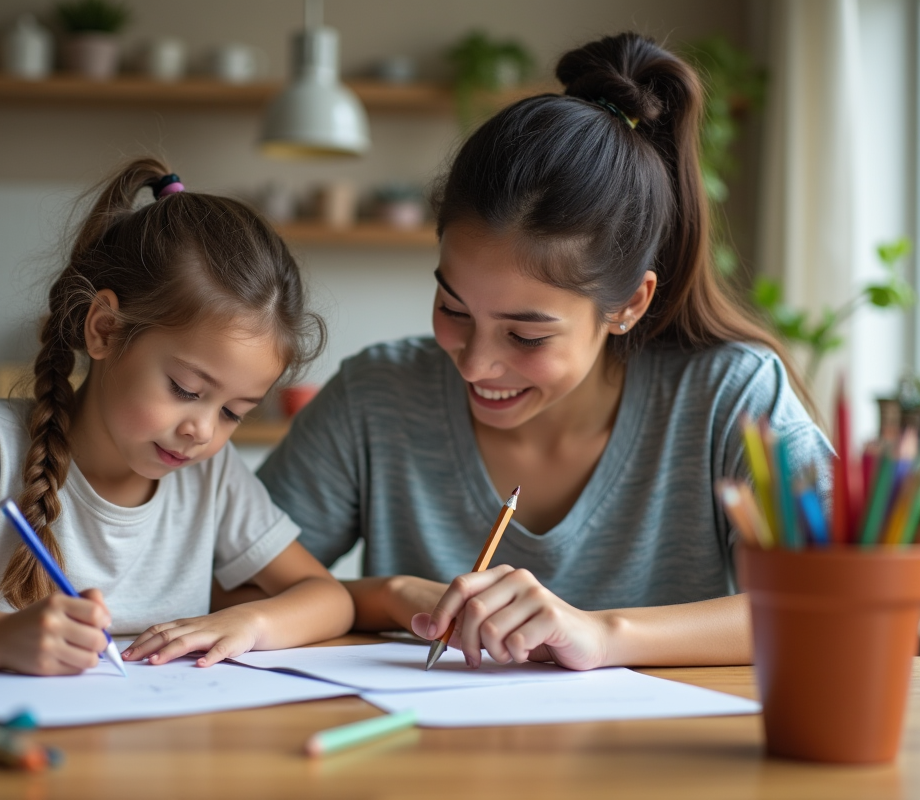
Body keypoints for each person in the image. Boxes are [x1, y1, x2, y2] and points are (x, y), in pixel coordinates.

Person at [257, 32, 831, 670]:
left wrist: (604, 635)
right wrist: (395, 596)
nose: (474, 364)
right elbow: (235, 582)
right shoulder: (378, 397)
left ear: (628, 305)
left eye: (526, 336)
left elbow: (852, 600)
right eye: (453, 308)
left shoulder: (731, 398)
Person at [0, 158, 353, 675]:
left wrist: (252, 621)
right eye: (186, 389)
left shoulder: (212, 474)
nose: (204, 431)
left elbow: (328, 597)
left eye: (235, 412)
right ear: (104, 329)